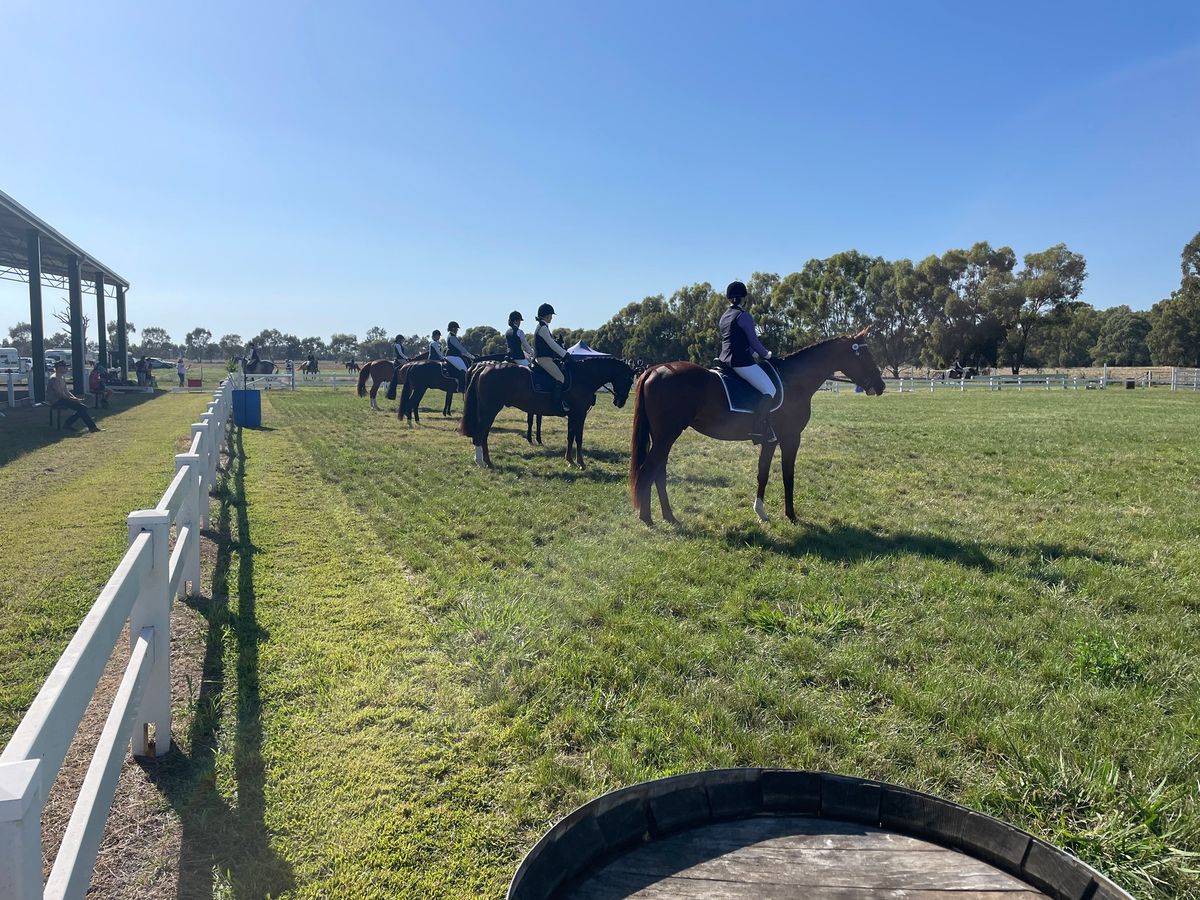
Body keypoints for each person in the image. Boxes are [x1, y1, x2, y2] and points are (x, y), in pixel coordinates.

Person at [719, 280, 776, 444]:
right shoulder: (744, 316)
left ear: (730, 298)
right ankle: (758, 429)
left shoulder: (724, 316)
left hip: (724, 360)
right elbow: (754, 341)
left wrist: (751, 352)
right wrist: (766, 355)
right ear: (743, 298)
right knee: (770, 390)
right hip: (741, 363)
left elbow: (735, 340)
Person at [532, 303, 570, 412]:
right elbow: (551, 344)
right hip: (544, 359)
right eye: (551, 315)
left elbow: (552, 343)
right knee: (560, 378)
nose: (552, 317)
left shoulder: (542, 326)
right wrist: (565, 354)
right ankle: (556, 405)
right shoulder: (543, 328)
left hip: (544, 358)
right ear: (546, 315)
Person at [48, 359, 101, 432]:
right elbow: (60, 394)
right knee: (82, 408)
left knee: (83, 408)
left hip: (62, 399)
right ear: (59, 368)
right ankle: (92, 427)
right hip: (56, 401)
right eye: (64, 367)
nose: (66, 369)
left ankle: (68, 424)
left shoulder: (62, 377)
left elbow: (66, 391)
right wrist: (73, 399)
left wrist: (74, 398)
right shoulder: (54, 379)